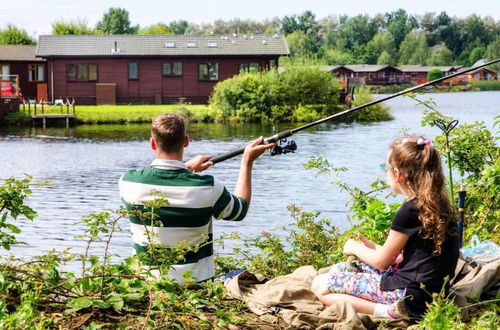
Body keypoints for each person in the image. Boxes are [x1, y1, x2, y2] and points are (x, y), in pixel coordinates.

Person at [311, 136, 460, 321]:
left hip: (408, 295)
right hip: (433, 293)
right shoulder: (439, 205)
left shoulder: (409, 211)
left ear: (398, 174)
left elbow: (382, 263)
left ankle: (389, 311)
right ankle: (391, 305)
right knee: (338, 269)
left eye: (386, 168)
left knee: (320, 285)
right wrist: (372, 247)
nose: (385, 173)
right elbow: (411, 258)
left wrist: (354, 248)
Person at [119, 113, 274, 283]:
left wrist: (187, 168)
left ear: (152, 143)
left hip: (145, 284)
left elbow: (166, 180)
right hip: (195, 285)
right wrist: (247, 161)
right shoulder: (208, 187)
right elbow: (239, 210)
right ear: (186, 141)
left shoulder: (128, 181)